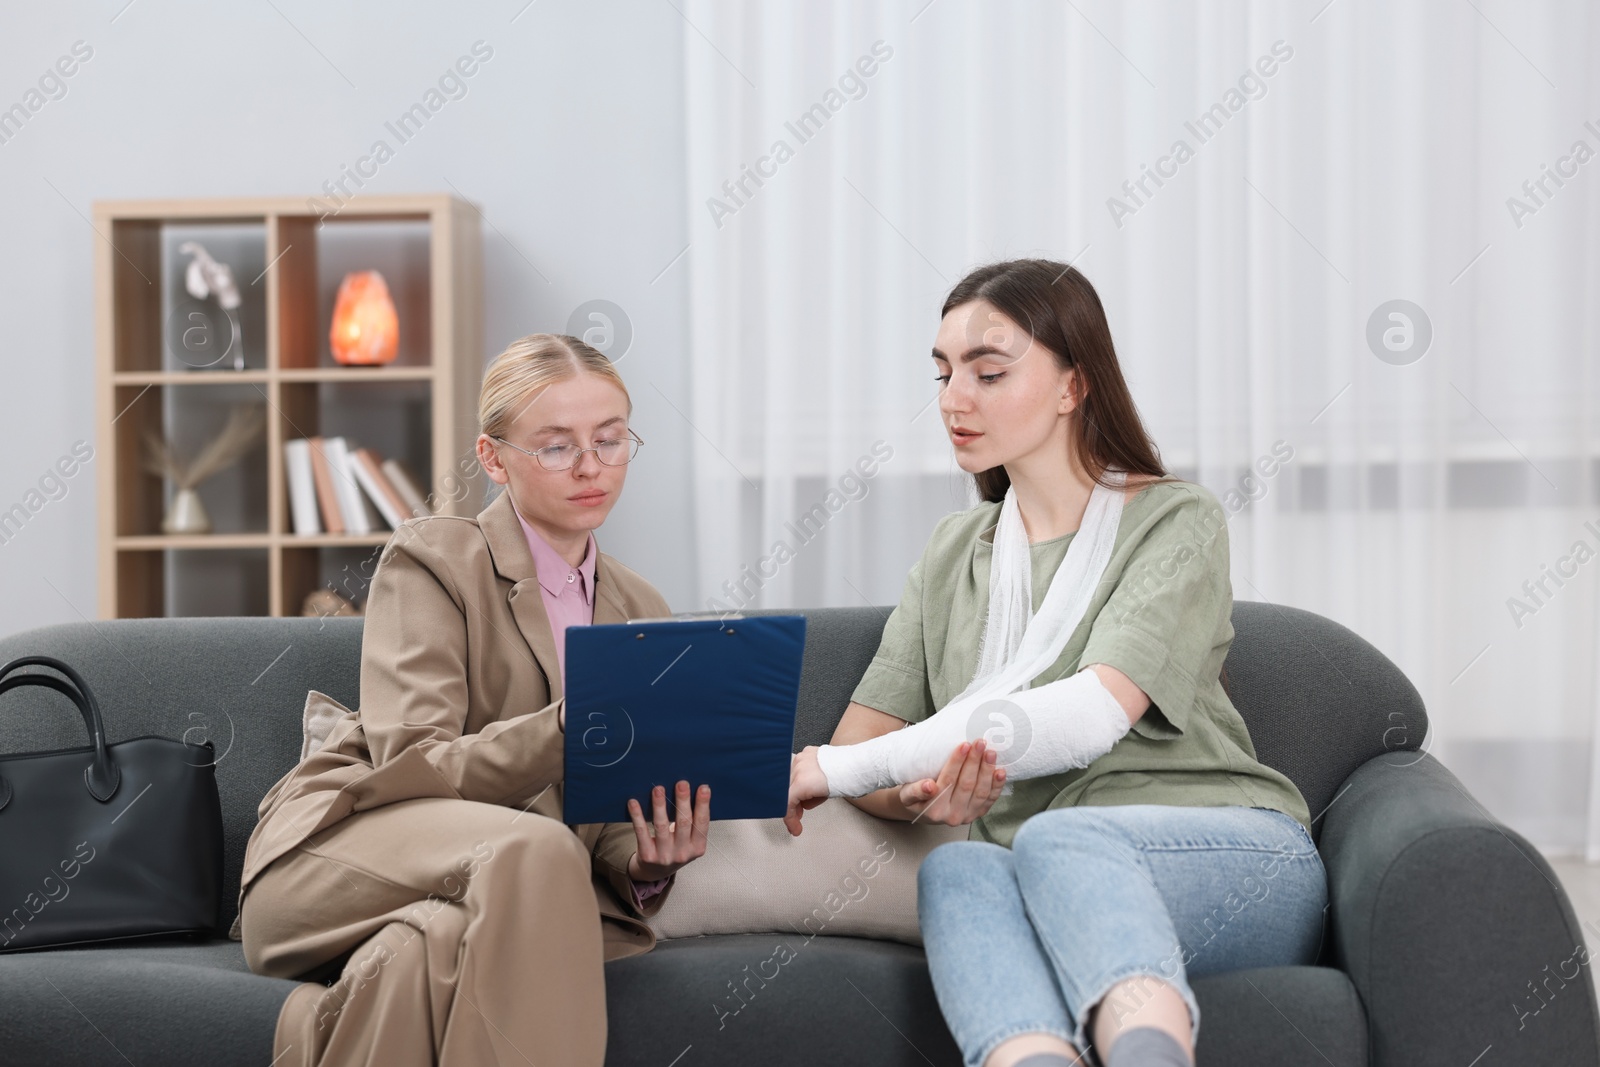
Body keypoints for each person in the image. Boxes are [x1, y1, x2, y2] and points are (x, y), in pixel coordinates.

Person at [785, 260, 1326, 1067]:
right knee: (959, 878)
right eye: (942, 374)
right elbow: (872, 757)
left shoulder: (1175, 520)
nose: (952, 400)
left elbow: (1089, 714)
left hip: (1228, 857)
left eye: (988, 372)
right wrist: (925, 790)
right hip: (1040, 865)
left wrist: (832, 767)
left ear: (1074, 385)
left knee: (1058, 840)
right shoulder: (951, 554)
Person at [239, 333, 709, 1067]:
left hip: (489, 891)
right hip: (342, 856)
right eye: (556, 446)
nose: (591, 466)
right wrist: (567, 726)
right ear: (493, 459)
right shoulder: (434, 558)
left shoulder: (640, 606)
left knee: (424, 952)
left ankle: (320, 1028)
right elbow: (411, 761)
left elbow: (601, 814)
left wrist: (647, 861)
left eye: (610, 440)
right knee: (537, 851)